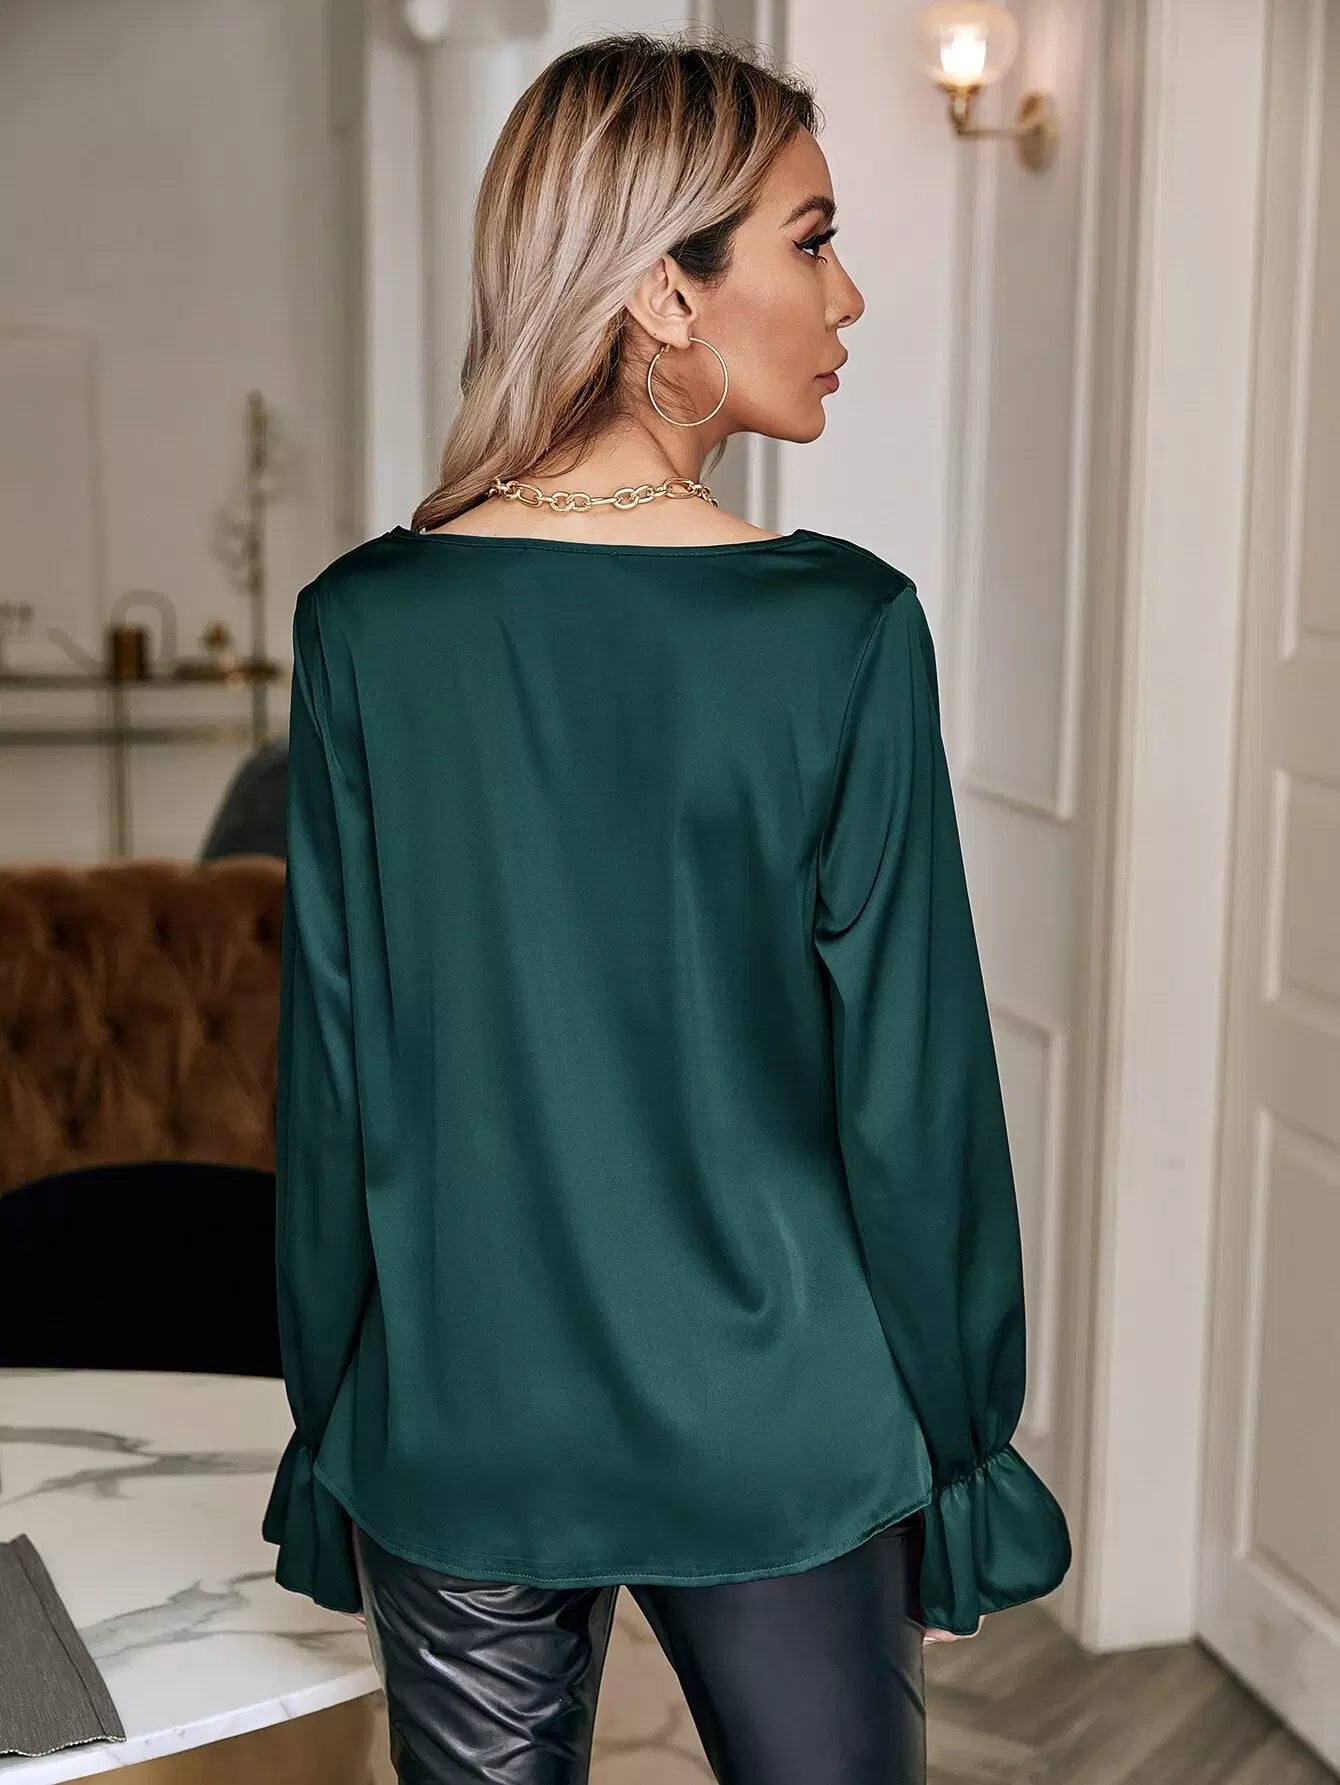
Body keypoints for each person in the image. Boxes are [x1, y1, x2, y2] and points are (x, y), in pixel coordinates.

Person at [261, 28, 1072, 1785]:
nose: (849, 295)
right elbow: (915, 1101)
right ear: (662, 291)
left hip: (461, 1413)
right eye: (813, 238)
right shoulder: (840, 631)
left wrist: (336, 1413)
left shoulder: (365, 627)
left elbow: (333, 1083)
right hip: (784, 1419)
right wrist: (960, 1446)